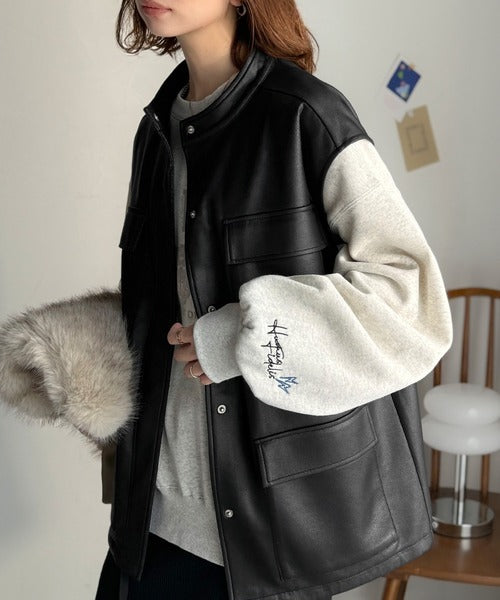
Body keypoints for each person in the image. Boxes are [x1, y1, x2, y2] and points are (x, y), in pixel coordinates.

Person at [95, 1, 453, 599]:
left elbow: (411, 301)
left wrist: (246, 336)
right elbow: (161, 306)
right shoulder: (155, 130)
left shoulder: (306, 116)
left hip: (260, 550)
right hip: (146, 526)